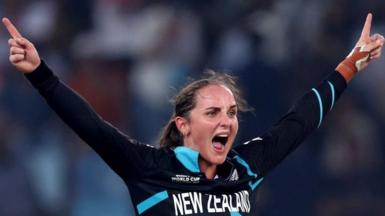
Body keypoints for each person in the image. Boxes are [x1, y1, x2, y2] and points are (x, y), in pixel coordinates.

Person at [2, 13, 384, 216]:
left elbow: (299, 122)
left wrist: (350, 65)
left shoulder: (245, 168)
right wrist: (40, 73)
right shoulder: (148, 167)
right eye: (213, 112)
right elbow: (89, 125)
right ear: (183, 125)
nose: (226, 121)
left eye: (232, 113)